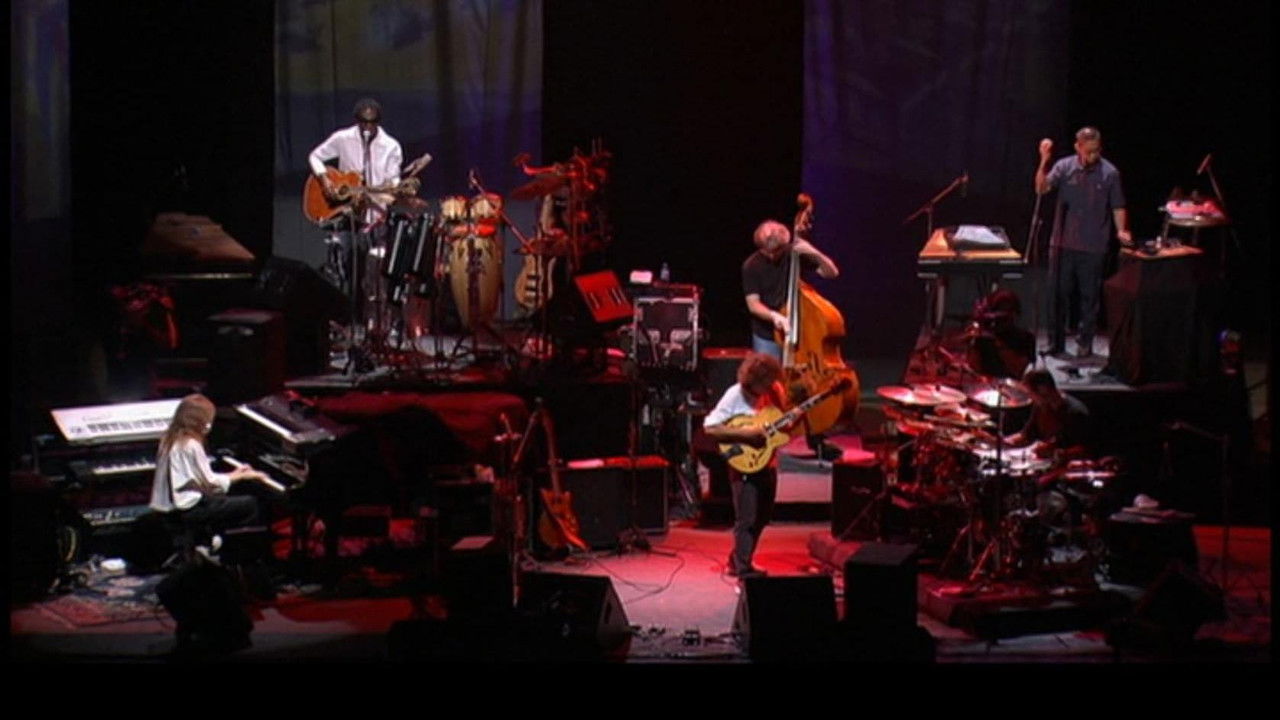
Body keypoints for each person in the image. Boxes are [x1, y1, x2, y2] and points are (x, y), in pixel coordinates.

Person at [741, 219, 841, 459]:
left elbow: (832, 272)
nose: (773, 256)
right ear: (761, 248)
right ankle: (765, 441)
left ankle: (816, 439)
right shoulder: (751, 265)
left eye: (777, 251)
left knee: (808, 386)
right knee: (766, 387)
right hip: (767, 333)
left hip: (799, 332)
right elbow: (753, 304)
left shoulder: (793, 253)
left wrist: (812, 252)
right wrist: (775, 317)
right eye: (768, 252)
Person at [1035, 127, 1132, 359]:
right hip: (1063, 244)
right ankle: (1055, 343)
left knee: (1089, 298)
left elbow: (1118, 205)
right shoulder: (1064, 167)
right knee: (1058, 296)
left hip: (1093, 246)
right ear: (1077, 147)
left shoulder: (1110, 173)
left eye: (1097, 151)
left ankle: (1084, 343)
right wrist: (1044, 161)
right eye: (1089, 151)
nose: (1093, 156)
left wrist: (1121, 230)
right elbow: (1041, 189)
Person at [702, 352, 799, 578]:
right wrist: (747, 435)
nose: (770, 386)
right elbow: (710, 427)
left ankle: (738, 558)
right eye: (766, 383)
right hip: (742, 463)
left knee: (763, 516)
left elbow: (783, 426)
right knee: (747, 517)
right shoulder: (735, 394)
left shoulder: (774, 391)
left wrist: (793, 419)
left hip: (768, 461)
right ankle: (743, 567)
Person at [148, 394, 270, 553]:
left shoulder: (168, 439)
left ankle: (213, 539)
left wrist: (234, 475)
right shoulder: (191, 445)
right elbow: (210, 484)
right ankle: (231, 550)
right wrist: (241, 476)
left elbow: (198, 480)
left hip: (167, 509)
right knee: (251, 504)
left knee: (225, 499)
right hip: (187, 511)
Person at [308, 97, 405, 211]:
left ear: (378, 122)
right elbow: (315, 156)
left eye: (372, 122)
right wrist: (324, 179)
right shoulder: (343, 138)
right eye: (364, 122)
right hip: (344, 208)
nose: (368, 126)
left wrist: (392, 188)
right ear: (357, 121)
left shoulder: (391, 146)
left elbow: (393, 181)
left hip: (375, 208)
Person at [1005, 369, 1091, 460]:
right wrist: (1004, 441)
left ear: (1043, 390)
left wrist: (1055, 453)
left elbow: (1083, 450)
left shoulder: (1075, 412)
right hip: (1043, 460)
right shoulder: (1040, 406)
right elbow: (1027, 435)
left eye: (1030, 393)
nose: (1030, 398)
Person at [967, 288, 1036, 379]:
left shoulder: (1026, 338)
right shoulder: (983, 338)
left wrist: (998, 343)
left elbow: (1018, 370)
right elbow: (973, 371)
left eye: (1008, 313)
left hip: (1011, 384)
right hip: (985, 384)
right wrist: (976, 336)